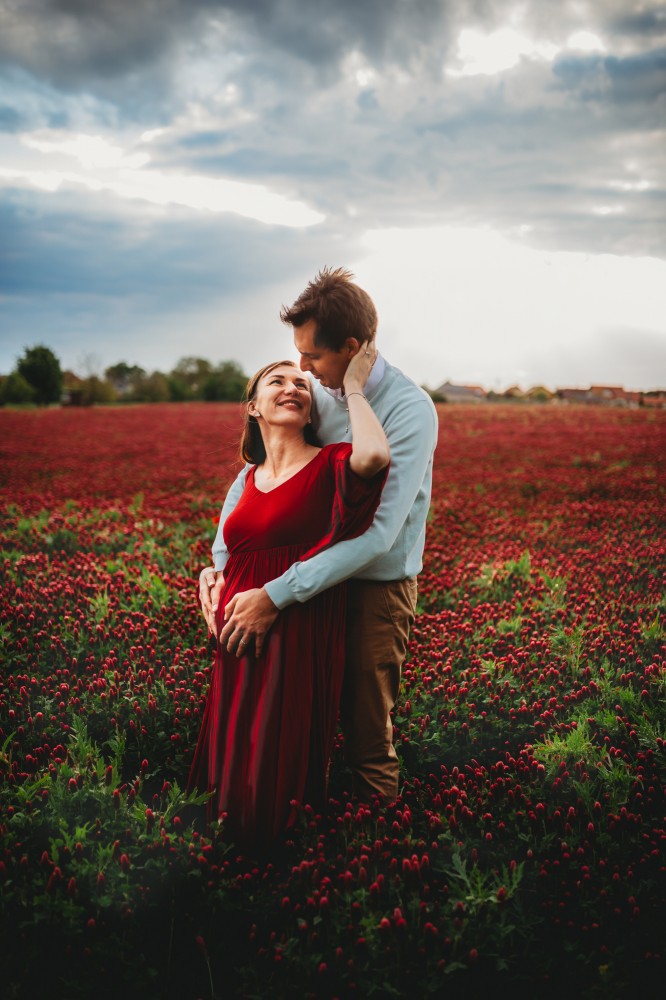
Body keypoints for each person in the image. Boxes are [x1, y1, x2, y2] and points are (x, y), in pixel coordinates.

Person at [200, 266, 438, 804]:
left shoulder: (409, 410)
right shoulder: (316, 390)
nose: (301, 370)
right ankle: (295, 833)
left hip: (371, 588)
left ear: (351, 349)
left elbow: (378, 537)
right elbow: (261, 475)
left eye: (312, 357)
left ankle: (376, 853)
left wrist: (276, 594)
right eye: (295, 355)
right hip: (298, 580)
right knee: (291, 721)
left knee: (364, 735)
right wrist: (221, 567)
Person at [189, 356, 389, 849]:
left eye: (302, 384)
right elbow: (225, 545)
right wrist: (210, 579)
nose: (293, 387)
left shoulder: (330, 461)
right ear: (253, 406)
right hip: (234, 633)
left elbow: (375, 458)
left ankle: (274, 865)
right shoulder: (247, 477)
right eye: (276, 382)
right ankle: (227, 859)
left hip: (294, 621)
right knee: (233, 742)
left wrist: (355, 391)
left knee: (279, 745)